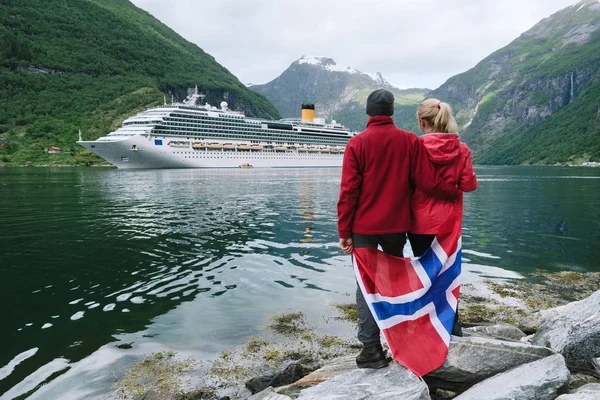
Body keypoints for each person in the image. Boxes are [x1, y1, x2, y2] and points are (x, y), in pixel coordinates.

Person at [337, 89, 460, 369]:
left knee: (365, 286)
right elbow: (427, 181)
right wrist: (452, 192)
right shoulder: (408, 141)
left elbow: (348, 192)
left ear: (368, 113)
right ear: (392, 112)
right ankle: (401, 340)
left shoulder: (356, 144)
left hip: (363, 228)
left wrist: (344, 231)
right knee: (393, 284)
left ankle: (371, 350)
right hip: (396, 226)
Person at [408, 98, 478, 335]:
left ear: (421, 122)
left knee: (424, 274)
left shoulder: (415, 149)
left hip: (418, 224)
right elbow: (469, 185)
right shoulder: (462, 149)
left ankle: (426, 326)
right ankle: (452, 324)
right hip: (449, 224)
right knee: (449, 275)